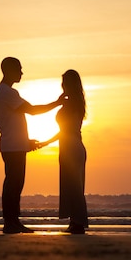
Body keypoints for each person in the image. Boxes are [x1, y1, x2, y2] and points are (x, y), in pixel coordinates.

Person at [0, 57, 65, 234]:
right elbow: (31, 110)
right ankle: (10, 222)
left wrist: (25, 142)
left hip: (15, 144)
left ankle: (13, 221)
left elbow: (15, 121)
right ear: (9, 70)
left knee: (16, 183)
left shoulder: (6, 92)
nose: (22, 72)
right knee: (13, 183)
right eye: (19, 69)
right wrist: (57, 103)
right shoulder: (6, 92)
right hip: (12, 146)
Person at [39, 69, 89, 234]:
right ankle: (75, 221)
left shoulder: (72, 104)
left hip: (71, 146)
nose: (62, 86)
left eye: (64, 83)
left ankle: (78, 222)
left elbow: (66, 131)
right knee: (71, 185)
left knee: (74, 186)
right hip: (70, 146)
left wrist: (45, 142)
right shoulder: (75, 103)